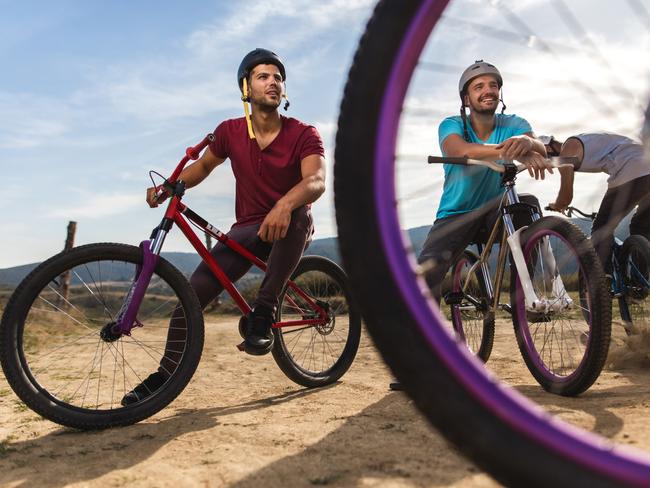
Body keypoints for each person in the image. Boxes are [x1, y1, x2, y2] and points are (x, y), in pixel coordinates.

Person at [122, 48, 326, 405]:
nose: (273, 82)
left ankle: (263, 312)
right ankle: (164, 377)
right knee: (191, 296)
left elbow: (316, 181)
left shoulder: (303, 133)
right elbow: (201, 168)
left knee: (297, 213)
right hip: (246, 231)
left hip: (290, 225)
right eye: (263, 76)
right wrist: (170, 186)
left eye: (278, 77)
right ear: (246, 88)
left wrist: (284, 203)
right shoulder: (229, 131)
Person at [390, 60, 549, 392]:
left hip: (497, 207)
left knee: (528, 207)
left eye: (493, 85)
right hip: (457, 213)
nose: (487, 91)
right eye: (478, 86)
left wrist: (528, 143)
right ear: (465, 98)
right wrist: (512, 149)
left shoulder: (514, 123)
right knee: (425, 276)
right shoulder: (451, 124)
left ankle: (528, 294)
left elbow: (536, 142)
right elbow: (457, 150)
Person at [544, 132, 650, 275]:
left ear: (549, 149)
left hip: (631, 172)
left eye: (546, 159)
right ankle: (640, 282)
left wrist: (556, 205)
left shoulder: (567, 150)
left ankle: (603, 279)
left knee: (601, 229)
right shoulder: (585, 140)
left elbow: (565, 198)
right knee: (640, 226)